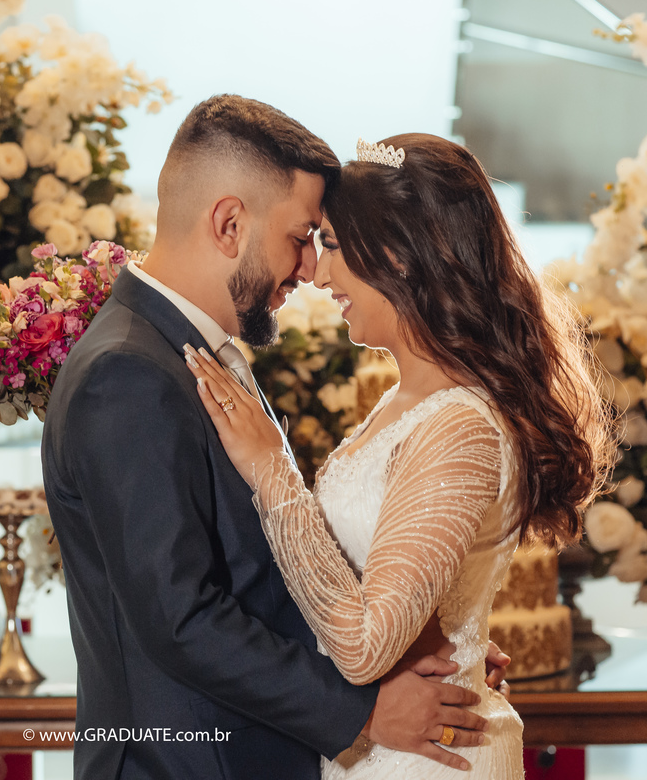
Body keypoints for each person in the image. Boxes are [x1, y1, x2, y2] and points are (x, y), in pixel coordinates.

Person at [42, 100, 509, 780]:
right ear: (229, 224)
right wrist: (363, 712)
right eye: (301, 236)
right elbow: (180, 618)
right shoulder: (128, 374)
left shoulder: (192, 352)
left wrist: (417, 631)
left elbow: (258, 571)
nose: (310, 268)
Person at [183, 132, 616, 778]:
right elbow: (387, 583)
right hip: (390, 744)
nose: (319, 274)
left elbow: (363, 648)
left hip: (429, 759)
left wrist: (274, 471)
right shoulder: (404, 400)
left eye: (333, 245)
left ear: (399, 255)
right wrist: (436, 632)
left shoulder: (460, 425)